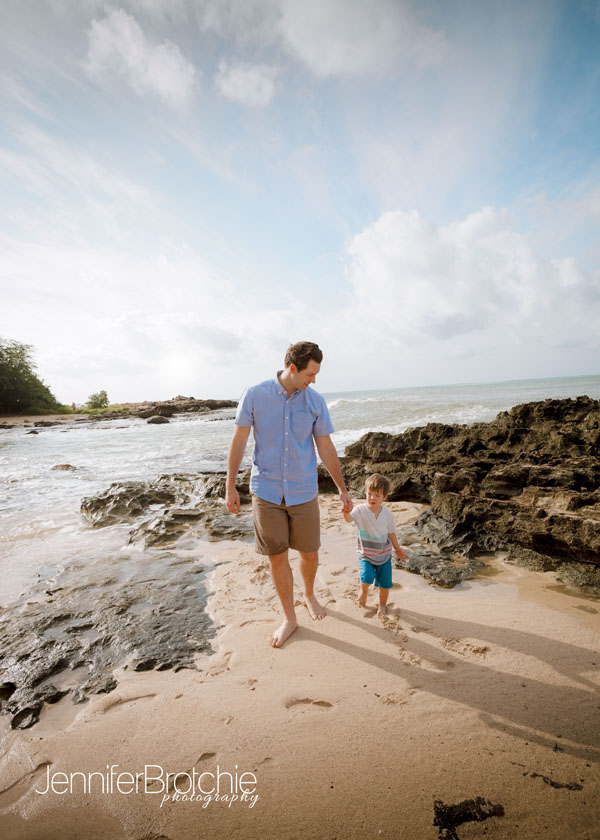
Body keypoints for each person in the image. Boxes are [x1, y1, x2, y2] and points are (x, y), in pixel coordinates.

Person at [225, 341, 353, 647]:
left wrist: (342, 489)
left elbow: (325, 447)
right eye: (310, 373)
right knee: (277, 557)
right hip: (266, 491)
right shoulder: (255, 395)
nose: (314, 380)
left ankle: (309, 594)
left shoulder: (315, 401)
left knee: (309, 552)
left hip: (303, 490)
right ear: (292, 368)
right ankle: (289, 619)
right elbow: (239, 441)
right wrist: (230, 486)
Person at [343, 473, 406, 617]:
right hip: (366, 554)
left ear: (384, 497)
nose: (372, 498)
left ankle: (382, 605)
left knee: (385, 584)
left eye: (377, 495)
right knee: (366, 577)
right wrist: (345, 512)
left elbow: (391, 533)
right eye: (369, 494)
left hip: (384, 555)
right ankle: (363, 591)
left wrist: (398, 549)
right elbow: (349, 519)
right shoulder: (360, 510)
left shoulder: (387, 514)